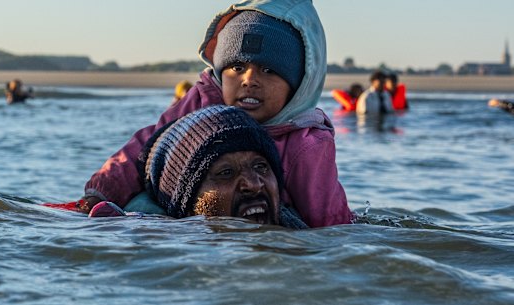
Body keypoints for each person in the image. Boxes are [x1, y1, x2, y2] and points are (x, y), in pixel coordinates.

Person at [78, 0, 353, 228]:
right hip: (182, 210)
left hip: (262, 215)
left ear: (299, 84)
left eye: (268, 71)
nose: (249, 80)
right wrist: (99, 193)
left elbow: (326, 217)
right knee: (143, 204)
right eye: (236, 67)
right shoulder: (203, 101)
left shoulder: (307, 142)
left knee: (289, 223)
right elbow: (145, 149)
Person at [87, 105, 308, 229]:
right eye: (226, 173)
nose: (253, 183)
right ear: (186, 203)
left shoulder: (305, 238)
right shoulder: (164, 251)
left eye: (261, 167)